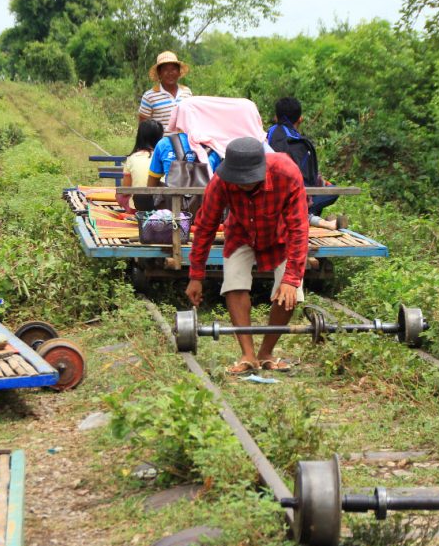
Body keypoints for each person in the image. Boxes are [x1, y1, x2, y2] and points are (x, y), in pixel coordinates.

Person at [186, 137, 309, 374]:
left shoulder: (287, 173)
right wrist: (196, 275)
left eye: (248, 179)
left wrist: (291, 280)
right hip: (240, 233)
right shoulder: (221, 182)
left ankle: (266, 353)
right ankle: (248, 355)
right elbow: (205, 227)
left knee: (290, 292)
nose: (241, 184)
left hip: (281, 235)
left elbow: (299, 229)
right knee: (234, 283)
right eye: (237, 179)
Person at [266, 97, 344, 231]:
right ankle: (307, 215)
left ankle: (310, 215)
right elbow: (305, 179)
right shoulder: (300, 143)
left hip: (268, 196)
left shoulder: (267, 135)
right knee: (334, 191)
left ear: (276, 117)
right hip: (292, 197)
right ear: (300, 119)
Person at [138, 51, 192, 132]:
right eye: (165, 69)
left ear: (178, 72)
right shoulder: (149, 96)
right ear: (159, 73)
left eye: (173, 69)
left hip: (184, 143)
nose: (170, 73)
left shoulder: (187, 92)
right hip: (161, 144)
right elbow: (143, 127)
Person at [117, 119, 164, 213]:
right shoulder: (163, 158)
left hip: (137, 208)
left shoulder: (132, 158)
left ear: (139, 137)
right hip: (162, 208)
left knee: (119, 194)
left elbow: (126, 190)